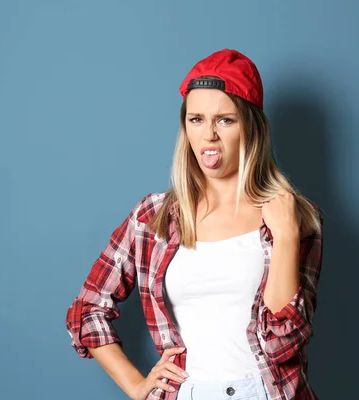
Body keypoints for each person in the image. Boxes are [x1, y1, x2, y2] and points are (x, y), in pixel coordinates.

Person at [65, 48, 324, 400]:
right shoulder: (153, 217)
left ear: (251, 126)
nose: (209, 135)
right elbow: (88, 309)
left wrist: (288, 236)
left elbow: (283, 343)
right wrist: (136, 385)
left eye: (225, 120)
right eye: (196, 119)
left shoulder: (294, 215)